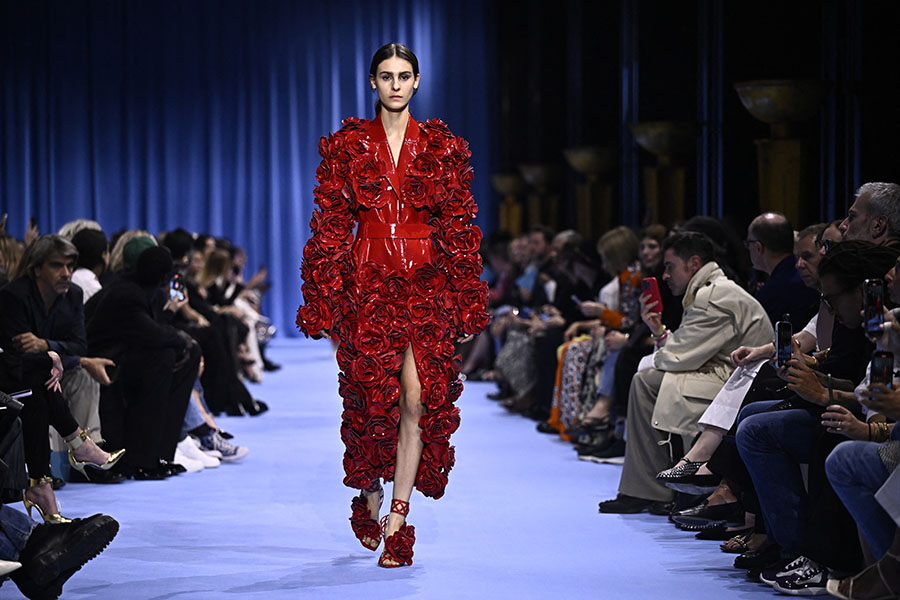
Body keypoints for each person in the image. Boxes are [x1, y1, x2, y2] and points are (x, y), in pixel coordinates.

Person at [296, 42, 489, 568]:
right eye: (387, 76)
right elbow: (332, 225)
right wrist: (322, 295)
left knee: (417, 399)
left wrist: (467, 297)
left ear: (418, 82)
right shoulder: (346, 146)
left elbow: (457, 227)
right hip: (367, 280)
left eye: (405, 76)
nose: (396, 84)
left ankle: (399, 519)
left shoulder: (443, 147)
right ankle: (369, 492)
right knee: (368, 397)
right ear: (373, 83)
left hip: (426, 282)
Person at [598, 231, 774, 514]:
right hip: (729, 374)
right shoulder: (709, 290)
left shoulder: (713, 296)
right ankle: (648, 489)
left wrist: (655, 351)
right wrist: (658, 331)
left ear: (693, 263)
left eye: (670, 267)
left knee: (646, 379)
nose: (665, 275)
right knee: (647, 379)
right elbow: (685, 350)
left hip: (739, 383)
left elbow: (680, 356)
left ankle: (652, 489)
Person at [0, 235, 124, 521]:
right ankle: (79, 446)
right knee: (38, 383)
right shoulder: (13, 296)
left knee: (39, 387)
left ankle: (42, 486)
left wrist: (47, 348)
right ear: (37, 269)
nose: (66, 273)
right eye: (57, 266)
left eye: (70, 265)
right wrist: (49, 359)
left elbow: (80, 346)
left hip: (41, 377)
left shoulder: (74, 295)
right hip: (11, 378)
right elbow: (12, 356)